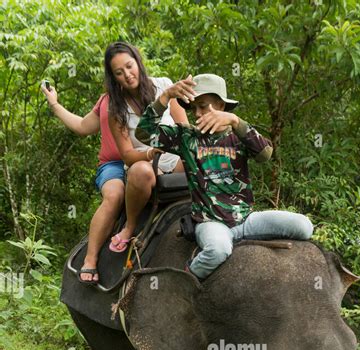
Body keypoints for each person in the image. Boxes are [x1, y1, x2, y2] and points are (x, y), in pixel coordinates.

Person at [135, 73, 314, 281]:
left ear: (220, 105)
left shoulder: (238, 136)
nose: (197, 113)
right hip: (210, 223)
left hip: (245, 220)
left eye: (203, 106)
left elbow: (265, 154)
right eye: (194, 108)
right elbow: (143, 134)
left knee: (304, 226)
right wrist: (165, 97)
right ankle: (183, 280)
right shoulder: (186, 137)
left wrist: (236, 121)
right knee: (218, 251)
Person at [105, 42, 188, 253]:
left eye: (130, 66)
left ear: (138, 62)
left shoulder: (164, 86)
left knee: (202, 158)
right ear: (114, 77)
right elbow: (127, 156)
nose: (128, 75)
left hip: (175, 160)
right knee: (142, 171)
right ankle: (130, 226)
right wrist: (150, 153)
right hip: (144, 164)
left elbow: (184, 129)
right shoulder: (116, 109)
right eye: (119, 72)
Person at [41, 82, 125, 283]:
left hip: (146, 160)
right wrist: (54, 104)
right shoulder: (106, 100)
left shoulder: (149, 94)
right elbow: (82, 126)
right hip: (114, 165)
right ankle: (90, 258)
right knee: (114, 195)